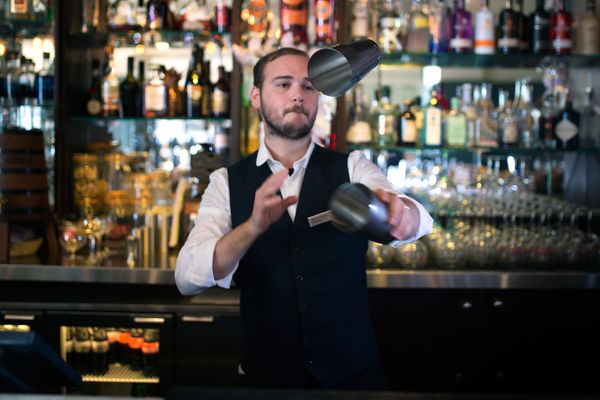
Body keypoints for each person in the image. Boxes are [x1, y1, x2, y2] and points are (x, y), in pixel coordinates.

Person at [175, 47, 433, 390]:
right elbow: (187, 278)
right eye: (283, 84)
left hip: (353, 383)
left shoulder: (353, 167)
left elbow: (414, 217)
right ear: (256, 96)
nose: (298, 94)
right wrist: (251, 228)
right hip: (266, 385)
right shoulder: (226, 183)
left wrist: (400, 215)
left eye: (309, 87)